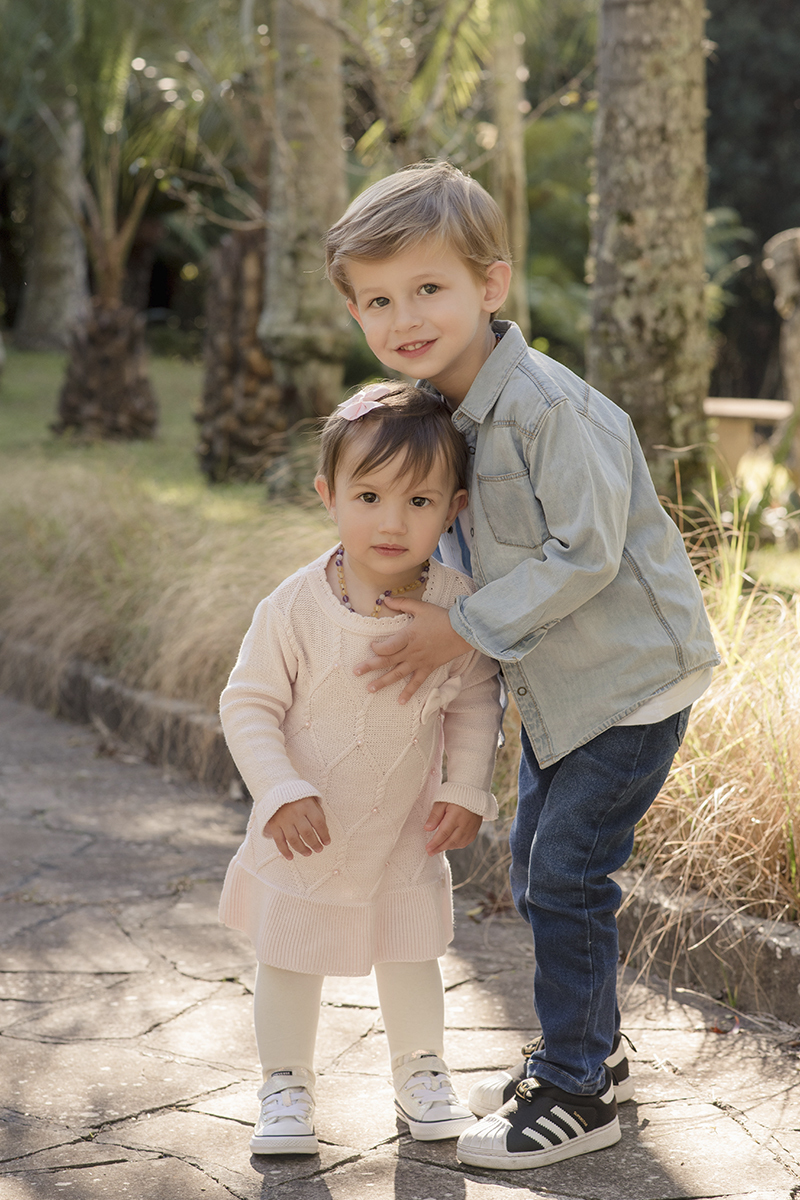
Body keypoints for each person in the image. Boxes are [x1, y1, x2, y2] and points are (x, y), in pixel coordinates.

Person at [324, 160, 720, 1170]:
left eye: (428, 289)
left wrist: (457, 632)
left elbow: (582, 554)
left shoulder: (543, 409)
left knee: (561, 875)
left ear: (488, 287)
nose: (402, 316)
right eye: (377, 299)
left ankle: (578, 1088)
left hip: (624, 682)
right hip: (559, 687)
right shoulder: (437, 411)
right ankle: (594, 1051)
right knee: (544, 869)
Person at [218, 383, 502, 1155]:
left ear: (454, 509)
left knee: (412, 950)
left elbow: (475, 700)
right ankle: (284, 1084)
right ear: (328, 495)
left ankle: (420, 1071)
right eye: (369, 495)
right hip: (304, 827)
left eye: (419, 501)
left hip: (405, 828)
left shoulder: (455, 607)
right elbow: (247, 705)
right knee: (289, 957)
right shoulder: (295, 608)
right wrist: (279, 791)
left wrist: (464, 787)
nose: (391, 520)